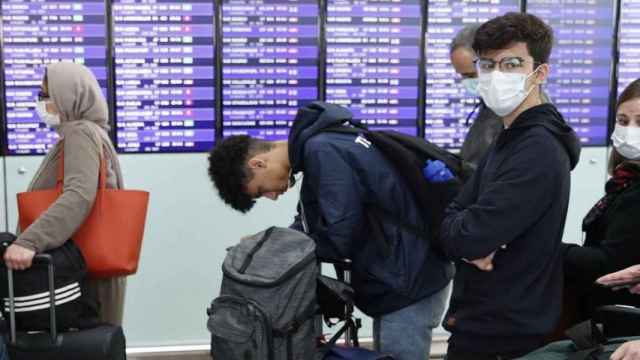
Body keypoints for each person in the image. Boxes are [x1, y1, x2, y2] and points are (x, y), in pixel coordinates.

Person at [208, 103, 454, 360]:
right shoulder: (324, 144)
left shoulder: (323, 151)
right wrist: (268, 245)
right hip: (406, 276)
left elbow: (339, 235)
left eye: (261, 191)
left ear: (258, 164)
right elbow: (314, 224)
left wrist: (278, 252)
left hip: (408, 284)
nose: (272, 196)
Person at [438, 13, 581, 359]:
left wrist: (466, 234)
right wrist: (463, 230)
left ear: (540, 73)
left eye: (511, 64)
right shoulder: (509, 137)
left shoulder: (536, 149)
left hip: (505, 332)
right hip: (483, 321)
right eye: (487, 65)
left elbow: (465, 234)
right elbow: (455, 219)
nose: (496, 76)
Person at [3, 62, 127, 326]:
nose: (41, 102)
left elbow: (79, 195)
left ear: (68, 96)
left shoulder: (81, 133)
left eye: (45, 95)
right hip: (80, 267)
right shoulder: (89, 133)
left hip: (79, 271)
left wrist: (29, 242)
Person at [561, 78, 640, 325]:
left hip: (625, 326)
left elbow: (609, 264)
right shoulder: (625, 181)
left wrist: (550, 248)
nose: (629, 131)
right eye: (623, 121)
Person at [450, 24, 552, 169]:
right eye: (462, 75)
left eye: (471, 75)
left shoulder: (516, 104)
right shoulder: (491, 102)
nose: (468, 81)